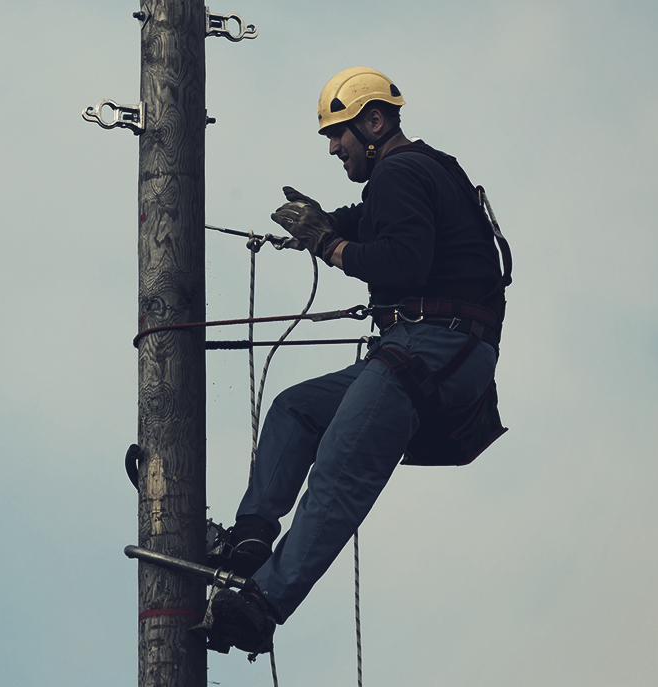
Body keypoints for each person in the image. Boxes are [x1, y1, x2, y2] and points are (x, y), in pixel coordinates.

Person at [192, 66, 512, 655]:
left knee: (340, 468)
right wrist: (324, 223)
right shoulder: (415, 172)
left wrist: (329, 245)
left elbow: (402, 263)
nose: (334, 147)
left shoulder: (400, 172)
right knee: (298, 411)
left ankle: (260, 607)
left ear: (373, 121)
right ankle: (252, 539)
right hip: (431, 348)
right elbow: (369, 222)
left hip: (432, 347)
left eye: (338, 133)